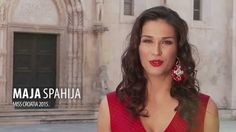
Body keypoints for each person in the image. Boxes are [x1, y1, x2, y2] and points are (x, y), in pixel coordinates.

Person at [97, 6, 219, 132]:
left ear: (178, 49)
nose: (156, 51)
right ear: (137, 47)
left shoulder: (205, 110)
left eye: (166, 42)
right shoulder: (110, 107)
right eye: (148, 41)